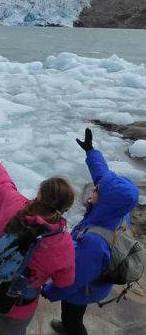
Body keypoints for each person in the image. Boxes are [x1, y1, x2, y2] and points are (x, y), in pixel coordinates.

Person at [43, 128, 139, 335]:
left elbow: (75, 277)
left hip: (85, 288)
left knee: (72, 317)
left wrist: (50, 291)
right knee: (73, 314)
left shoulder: (94, 242)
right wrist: (91, 151)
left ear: (104, 200)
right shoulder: (119, 213)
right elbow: (103, 176)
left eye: (97, 190)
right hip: (97, 279)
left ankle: (71, 329)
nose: (93, 189)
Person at [0, 146, 76, 335]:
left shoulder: (14, 203)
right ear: (65, 208)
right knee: (10, 330)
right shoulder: (63, 242)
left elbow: (2, 183)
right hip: (17, 302)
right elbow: (64, 281)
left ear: (40, 195)